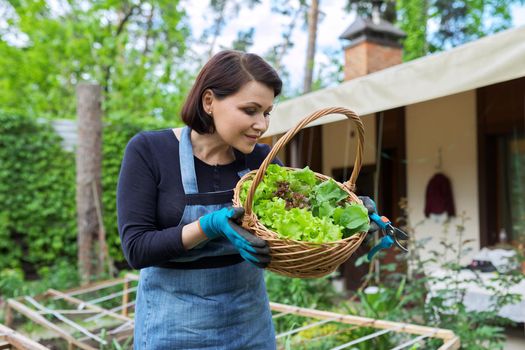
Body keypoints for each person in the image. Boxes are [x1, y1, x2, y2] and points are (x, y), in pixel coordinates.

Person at [117, 50, 283, 349]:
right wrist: (209, 225)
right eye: (250, 110)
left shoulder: (263, 161)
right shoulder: (150, 151)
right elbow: (137, 249)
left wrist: (350, 220)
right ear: (209, 102)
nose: (262, 124)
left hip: (249, 326)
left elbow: (294, 232)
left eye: (267, 112)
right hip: (172, 329)